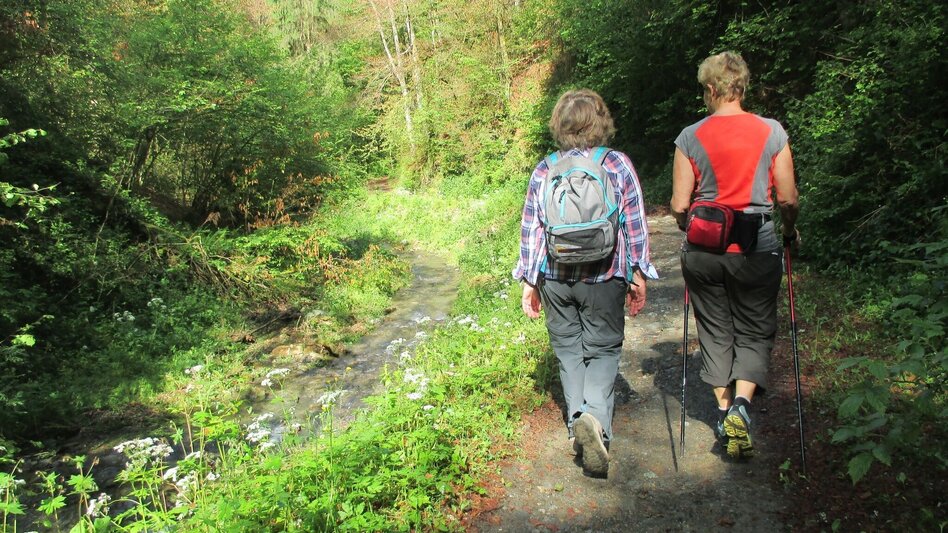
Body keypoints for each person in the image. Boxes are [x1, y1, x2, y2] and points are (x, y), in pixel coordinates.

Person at [513, 89, 657, 476]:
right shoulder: (617, 164)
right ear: (601, 122)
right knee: (604, 349)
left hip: (556, 278)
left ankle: (578, 419)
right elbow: (634, 226)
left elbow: (533, 231)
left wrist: (529, 280)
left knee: (567, 350)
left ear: (559, 126)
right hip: (605, 274)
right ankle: (595, 423)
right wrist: (638, 274)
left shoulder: (545, 169)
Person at [670, 52, 800, 459]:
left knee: (714, 329)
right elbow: (788, 197)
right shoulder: (772, 132)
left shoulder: (690, 137)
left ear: (711, 90)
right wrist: (789, 230)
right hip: (756, 247)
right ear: (741, 87)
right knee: (756, 328)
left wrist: (689, 229)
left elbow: (678, 205)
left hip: (705, 252)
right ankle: (742, 406)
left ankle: (725, 411)